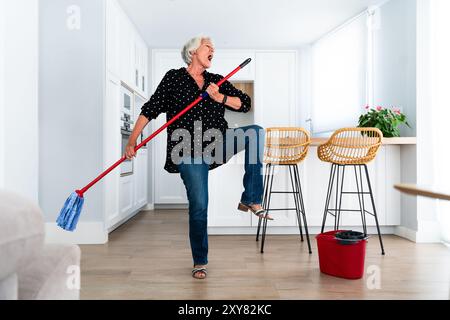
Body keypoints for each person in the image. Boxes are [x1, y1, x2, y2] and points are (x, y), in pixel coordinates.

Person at [125, 35, 271, 280]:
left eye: (213, 47)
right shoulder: (174, 78)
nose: (213, 50)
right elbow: (150, 108)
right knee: (200, 206)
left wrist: (219, 97)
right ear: (193, 51)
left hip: (218, 141)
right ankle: (200, 260)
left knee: (254, 133)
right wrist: (132, 140)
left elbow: (244, 104)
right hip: (187, 150)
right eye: (208, 47)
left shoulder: (216, 80)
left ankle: (251, 198)